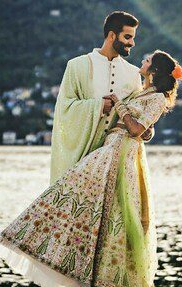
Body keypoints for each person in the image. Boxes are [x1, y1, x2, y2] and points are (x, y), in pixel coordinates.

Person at [0, 49, 182, 287]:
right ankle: (57, 257)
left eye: (147, 60)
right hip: (112, 147)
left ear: (155, 71)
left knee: (112, 211)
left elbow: (137, 129)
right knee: (73, 193)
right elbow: (146, 129)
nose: (142, 60)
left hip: (121, 153)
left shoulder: (158, 97)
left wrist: (120, 107)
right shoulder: (143, 92)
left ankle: (104, 280)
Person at [49, 11, 152, 185]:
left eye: (133, 38)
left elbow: (138, 112)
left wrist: (147, 131)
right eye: (127, 37)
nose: (132, 43)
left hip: (116, 161)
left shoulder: (133, 73)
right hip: (82, 158)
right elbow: (64, 107)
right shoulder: (76, 66)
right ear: (112, 35)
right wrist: (97, 106)